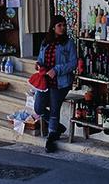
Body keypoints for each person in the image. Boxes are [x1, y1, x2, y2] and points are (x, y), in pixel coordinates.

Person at [35, 15, 78, 153]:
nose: (62, 28)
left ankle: (51, 138)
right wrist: (38, 65)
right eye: (59, 25)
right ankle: (57, 127)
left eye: (64, 25)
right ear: (53, 27)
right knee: (38, 107)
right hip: (45, 80)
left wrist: (57, 70)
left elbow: (73, 63)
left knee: (54, 109)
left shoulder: (68, 43)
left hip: (61, 82)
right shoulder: (45, 42)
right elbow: (41, 58)